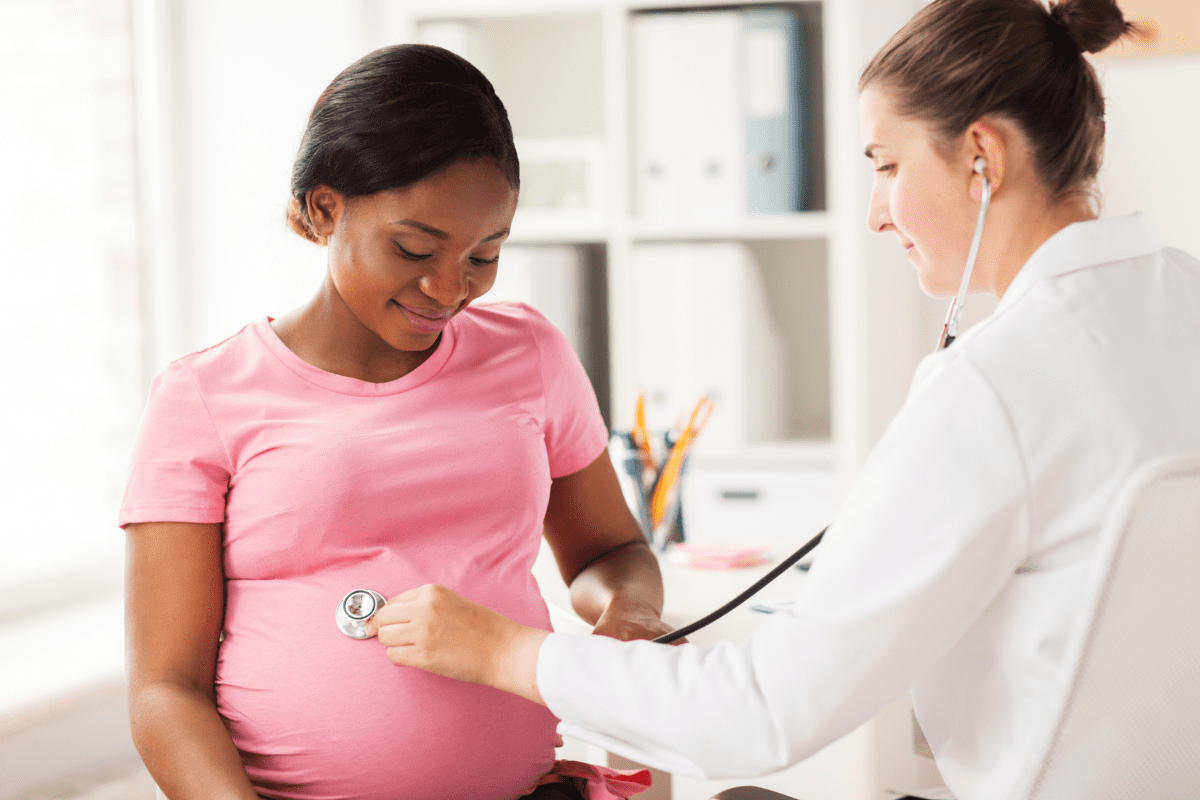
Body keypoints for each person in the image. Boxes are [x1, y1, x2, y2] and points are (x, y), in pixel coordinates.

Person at [365, 1, 1200, 798]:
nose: (877, 213)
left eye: (887, 166)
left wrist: (504, 651)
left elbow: (764, 712)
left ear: (983, 154)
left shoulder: (995, 386)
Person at [119, 44, 672, 800]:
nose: (448, 289)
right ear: (324, 208)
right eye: (414, 248)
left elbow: (611, 550)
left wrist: (628, 616)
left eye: (485, 255)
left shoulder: (530, 353)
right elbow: (164, 689)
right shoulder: (203, 397)